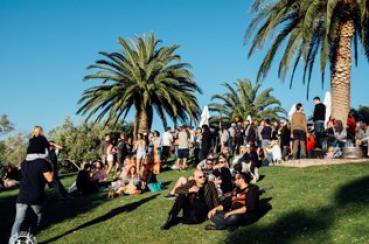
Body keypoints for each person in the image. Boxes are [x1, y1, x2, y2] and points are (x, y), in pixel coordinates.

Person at [9, 157, 53, 239]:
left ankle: (12, 240)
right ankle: (31, 235)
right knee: (38, 215)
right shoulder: (41, 171)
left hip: (22, 198)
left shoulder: (25, 168)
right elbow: (50, 180)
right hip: (35, 197)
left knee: (18, 220)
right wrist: (51, 166)